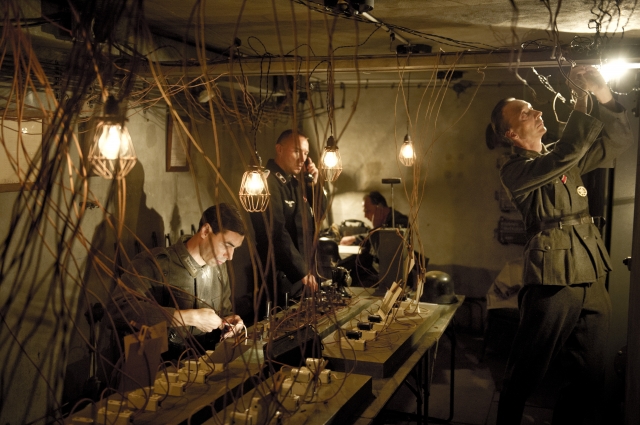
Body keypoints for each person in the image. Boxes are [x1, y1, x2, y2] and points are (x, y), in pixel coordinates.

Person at [491, 65, 633, 425]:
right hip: (552, 277)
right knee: (526, 371)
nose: (537, 112)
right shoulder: (514, 170)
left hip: (591, 269)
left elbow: (618, 140)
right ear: (511, 133)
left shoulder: (565, 156)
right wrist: (581, 104)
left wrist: (602, 94)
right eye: (526, 113)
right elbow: (565, 154)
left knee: (591, 376)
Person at [108, 203, 246, 358]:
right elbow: (117, 309)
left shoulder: (219, 268)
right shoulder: (154, 263)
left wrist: (227, 322)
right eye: (227, 245)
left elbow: (223, 311)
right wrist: (189, 317)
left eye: (235, 248)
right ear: (206, 231)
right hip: (162, 365)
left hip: (205, 362)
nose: (230, 256)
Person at [250, 129, 322, 311]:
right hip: (279, 275)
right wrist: (301, 271)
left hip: (300, 274)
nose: (302, 159)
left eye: (306, 153)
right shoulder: (267, 182)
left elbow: (320, 213)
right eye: (297, 151)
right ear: (279, 149)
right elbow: (275, 231)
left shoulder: (295, 182)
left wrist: (313, 184)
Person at [339, 191, 410, 286]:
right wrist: (354, 238)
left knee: (351, 279)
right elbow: (369, 237)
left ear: (379, 208)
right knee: (342, 268)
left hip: (387, 274)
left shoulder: (399, 222)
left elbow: (382, 253)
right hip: (376, 268)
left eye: (367, 211)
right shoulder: (386, 219)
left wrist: (376, 226)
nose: (365, 216)